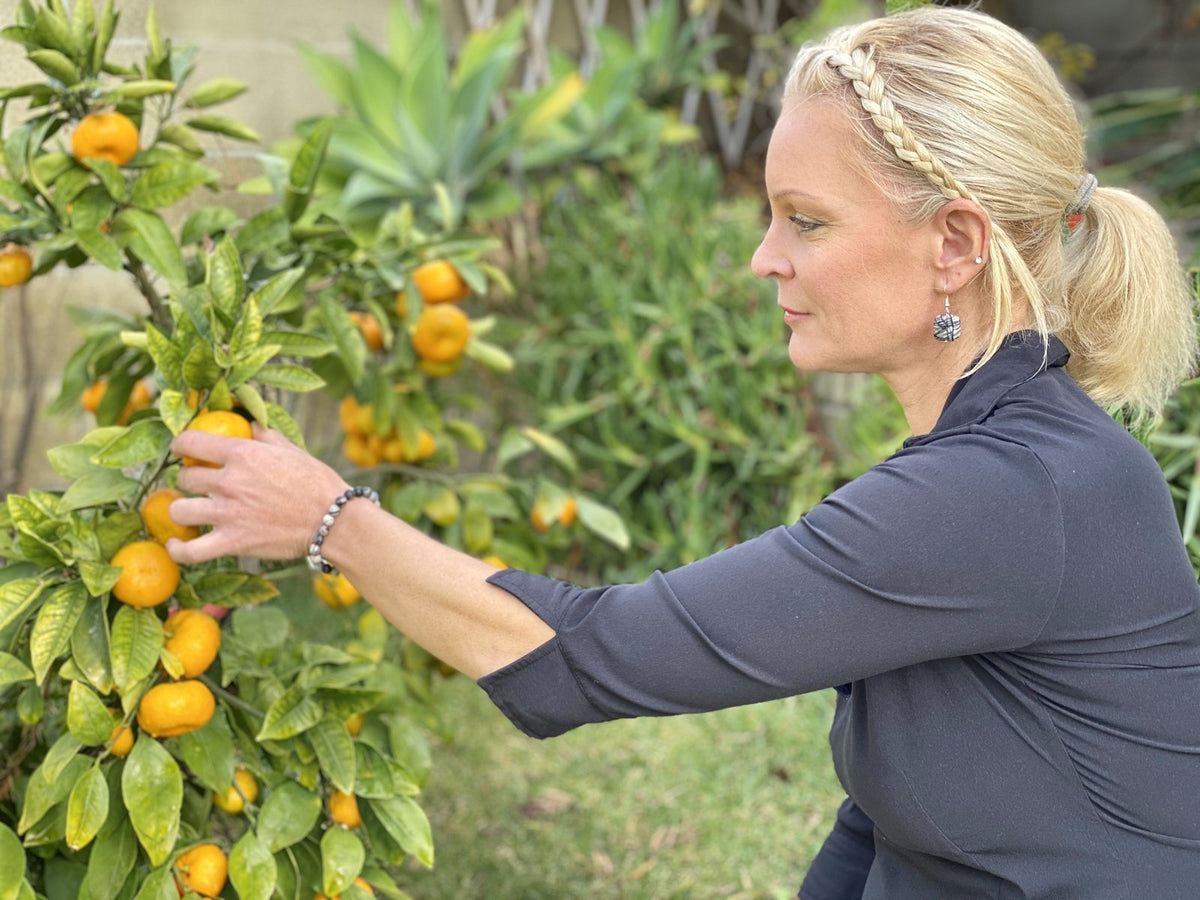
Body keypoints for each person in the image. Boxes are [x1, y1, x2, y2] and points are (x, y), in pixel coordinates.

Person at [165, 5, 1200, 898]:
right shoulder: (993, 458)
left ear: (957, 246)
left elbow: (578, 657)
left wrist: (328, 520)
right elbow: (889, 824)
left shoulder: (1005, 493)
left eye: (805, 220)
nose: (765, 258)